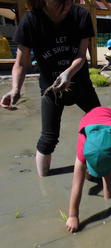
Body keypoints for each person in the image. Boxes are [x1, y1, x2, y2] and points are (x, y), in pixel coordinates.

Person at [0, 0, 101, 177]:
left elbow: (81, 55)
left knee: (102, 125)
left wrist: (68, 73)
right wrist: (15, 89)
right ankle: (44, 182)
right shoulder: (31, 21)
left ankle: (95, 165)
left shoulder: (81, 15)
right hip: (50, 89)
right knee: (48, 138)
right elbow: (21, 63)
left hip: (81, 85)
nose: (69, 3)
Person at [66, 107, 111, 233]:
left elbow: (108, 168)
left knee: (107, 170)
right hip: (89, 120)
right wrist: (73, 216)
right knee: (85, 176)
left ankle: (108, 193)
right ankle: (95, 172)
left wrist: (108, 199)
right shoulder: (82, 149)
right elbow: (76, 186)